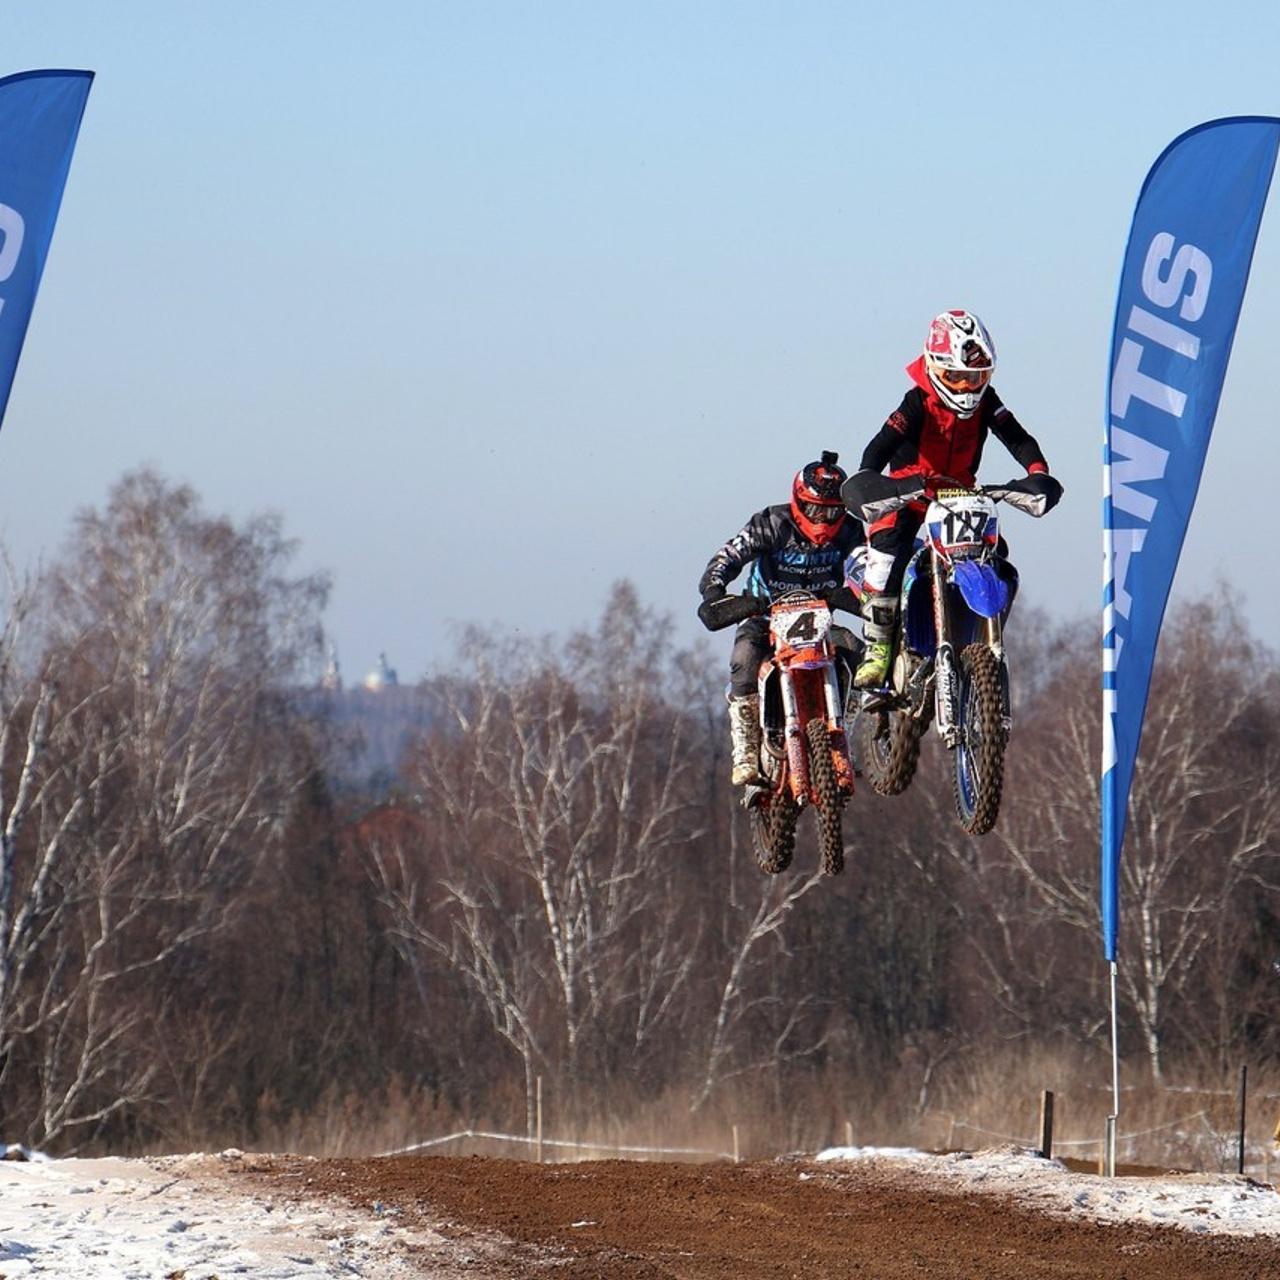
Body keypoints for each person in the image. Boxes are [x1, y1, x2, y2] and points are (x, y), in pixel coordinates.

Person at [843, 309, 1063, 689]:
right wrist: (867, 477)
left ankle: (975, 631)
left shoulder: (987, 401)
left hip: (960, 495)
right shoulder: (917, 401)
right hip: (908, 493)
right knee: (886, 558)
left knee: (997, 556)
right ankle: (878, 649)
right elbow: (881, 444)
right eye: (956, 377)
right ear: (934, 368)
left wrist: (1038, 472)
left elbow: (1017, 437)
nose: (965, 387)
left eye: (976, 377)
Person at [698, 451, 864, 786]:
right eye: (816, 510)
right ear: (799, 503)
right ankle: (745, 748)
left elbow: (868, 566)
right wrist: (714, 590)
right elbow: (728, 555)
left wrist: (875, 595)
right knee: (743, 659)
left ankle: (844, 727)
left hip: (820, 621)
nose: (823, 519)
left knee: (860, 653)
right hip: (764, 615)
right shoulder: (770, 523)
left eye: (832, 511)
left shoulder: (850, 531)